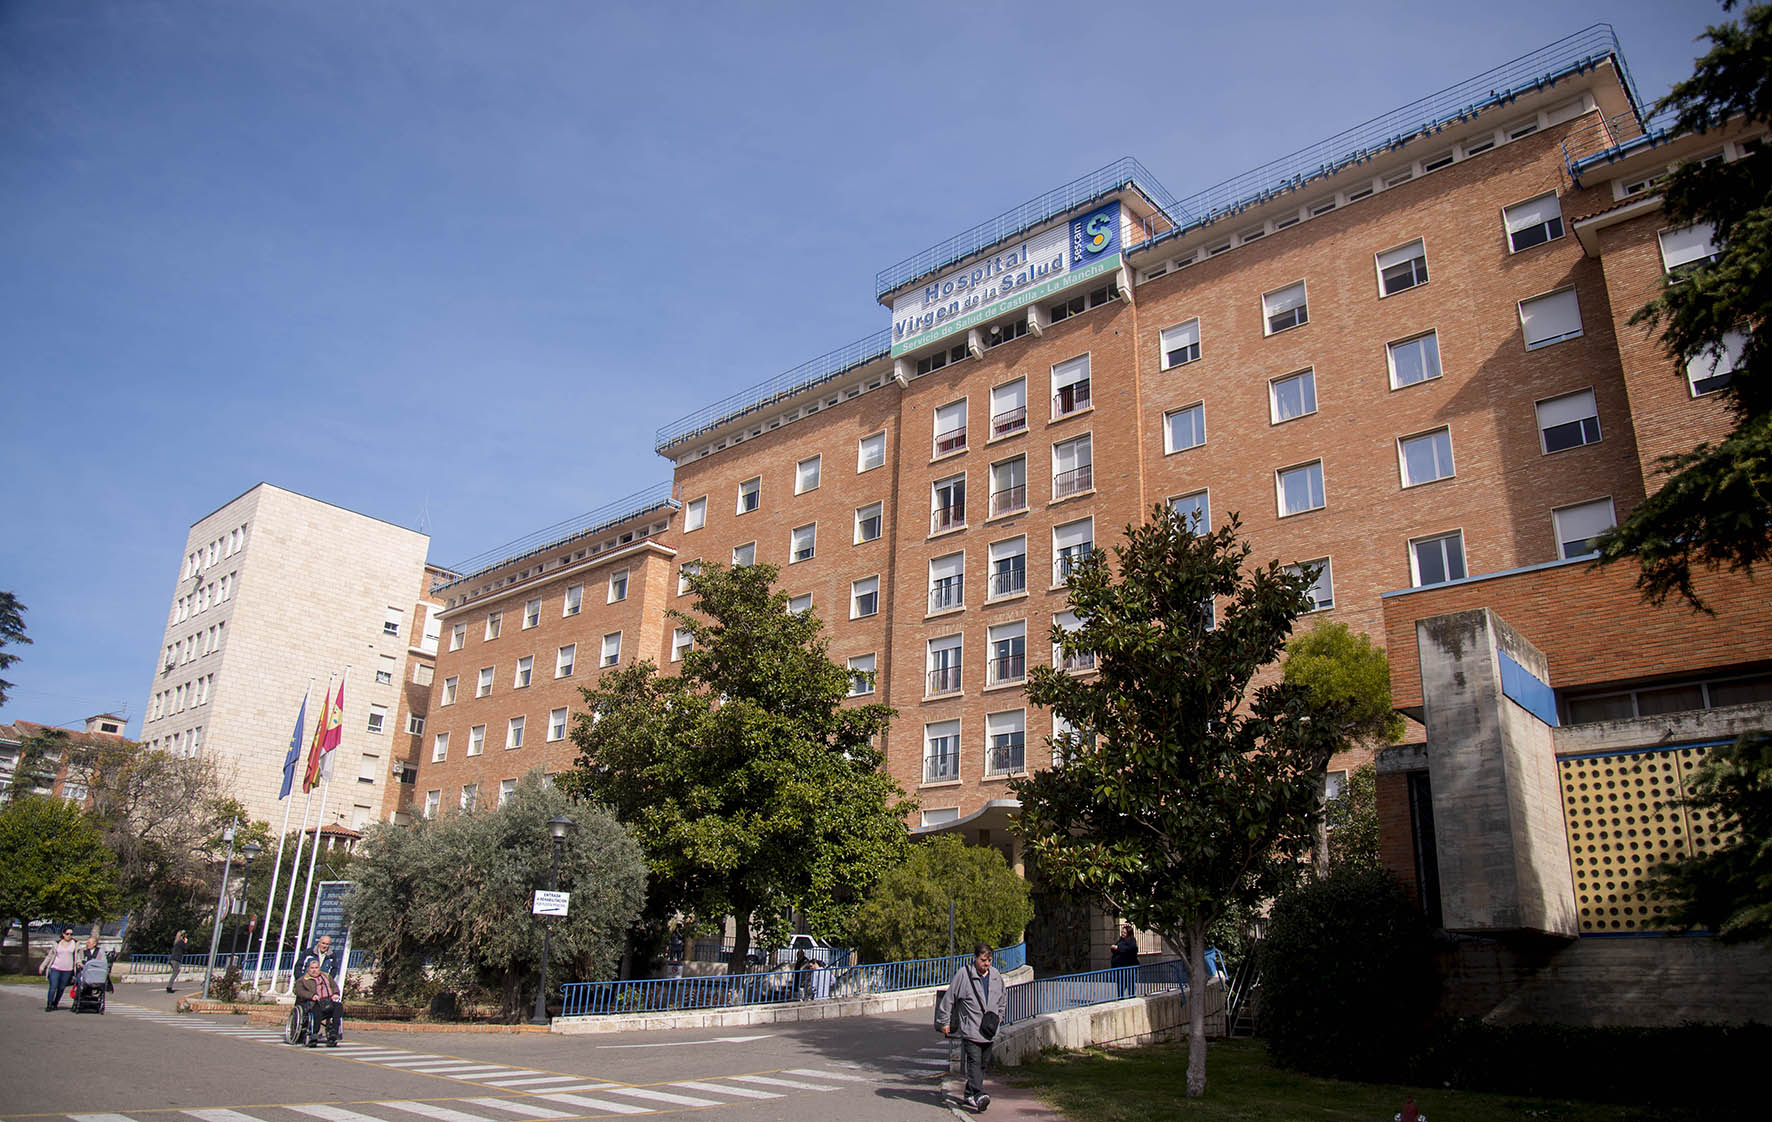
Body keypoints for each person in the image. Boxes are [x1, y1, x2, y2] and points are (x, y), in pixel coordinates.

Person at [935, 943, 1008, 1113]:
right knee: (974, 1062)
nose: (987, 964)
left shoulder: (996, 976)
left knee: (982, 1064)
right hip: (971, 1029)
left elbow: (1002, 1000)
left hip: (989, 1030)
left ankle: (969, 1093)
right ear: (975, 958)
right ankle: (979, 1095)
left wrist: (999, 1018)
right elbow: (949, 999)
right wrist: (944, 1021)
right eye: (983, 960)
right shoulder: (964, 975)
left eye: (989, 960)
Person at [292, 960, 342, 1046]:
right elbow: (299, 991)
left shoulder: (326, 976)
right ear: (308, 969)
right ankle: (314, 1033)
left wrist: (335, 994)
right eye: (312, 968)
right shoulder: (303, 980)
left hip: (328, 1001)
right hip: (314, 1003)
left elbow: (334, 987)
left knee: (338, 1006)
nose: (314, 970)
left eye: (316, 968)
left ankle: (334, 1031)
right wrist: (312, 995)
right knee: (317, 1010)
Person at [38, 927, 80, 1011]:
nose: (69, 936)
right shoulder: (57, 943)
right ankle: (49, 1004)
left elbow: (77, 956)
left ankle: (55, 1003)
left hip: (68, 970)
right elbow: (50, 956)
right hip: (55, 968)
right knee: (53, 986)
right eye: (67, 934)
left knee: (61, 988)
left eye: (71, 934)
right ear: (63, 934)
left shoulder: (75, 944)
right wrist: (42, 966)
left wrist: (78, 962)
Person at [1110, 923, 1139, 998]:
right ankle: (1121, 998)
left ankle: (1131, 997)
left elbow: (1131, 949)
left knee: (1130, 984)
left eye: (1124, 932)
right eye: (1122, 932)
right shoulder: (1120, 941)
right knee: (1120, 985)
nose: (1122, 934)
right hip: (1119, 967)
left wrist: (1118, 948)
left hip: (1128, 967)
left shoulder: (1132, 941)